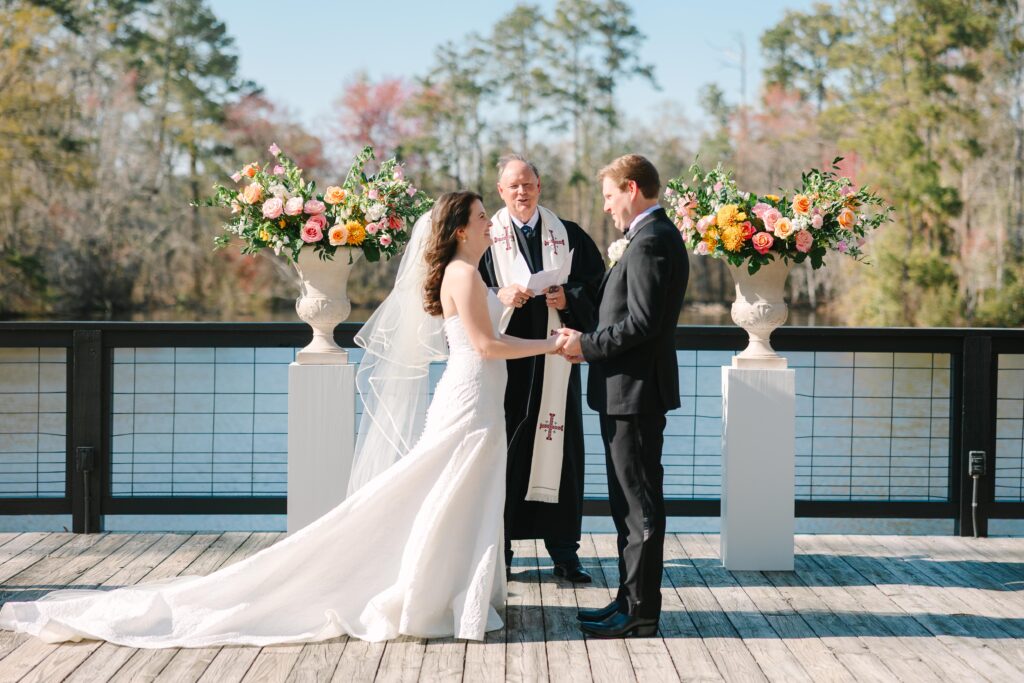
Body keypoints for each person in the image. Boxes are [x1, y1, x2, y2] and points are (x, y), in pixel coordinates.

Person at [0, 192, 566, 646]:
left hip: (477, 395)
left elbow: (481, 334)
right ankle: (434, 596)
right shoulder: (463, 275)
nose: (489, 222)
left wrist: (511, 304)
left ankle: (453, 593)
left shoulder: (468, 274)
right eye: (481, 216)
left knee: (458, 492)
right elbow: (485, 347)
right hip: (470, 397)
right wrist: (551, 345)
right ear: (460, 229)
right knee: (442, 490)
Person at [559, 154, 688, 639]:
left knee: (639, 507)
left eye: (610, 195)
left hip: (635, 394)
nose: (607, 206)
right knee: (626, 506)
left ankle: (640, 611)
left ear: (632, 189)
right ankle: (627, 599)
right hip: (624, 393)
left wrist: (586, 346)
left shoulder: (652, 240)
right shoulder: (648, 237)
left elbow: (642, 323)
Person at [479, 155, 604, 583]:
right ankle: (500, 550)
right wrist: (499, 295)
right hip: (507, 364)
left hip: (557, 361)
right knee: (504, 451)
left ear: (539, 186)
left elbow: (599, 287)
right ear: (501, 190)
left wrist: (569, 298)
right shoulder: (485, 237)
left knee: (561, 449)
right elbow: (465, 293)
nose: (522, 192)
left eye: (528, 184)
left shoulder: (568, 234)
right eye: (513, 186)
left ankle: (565, 553)